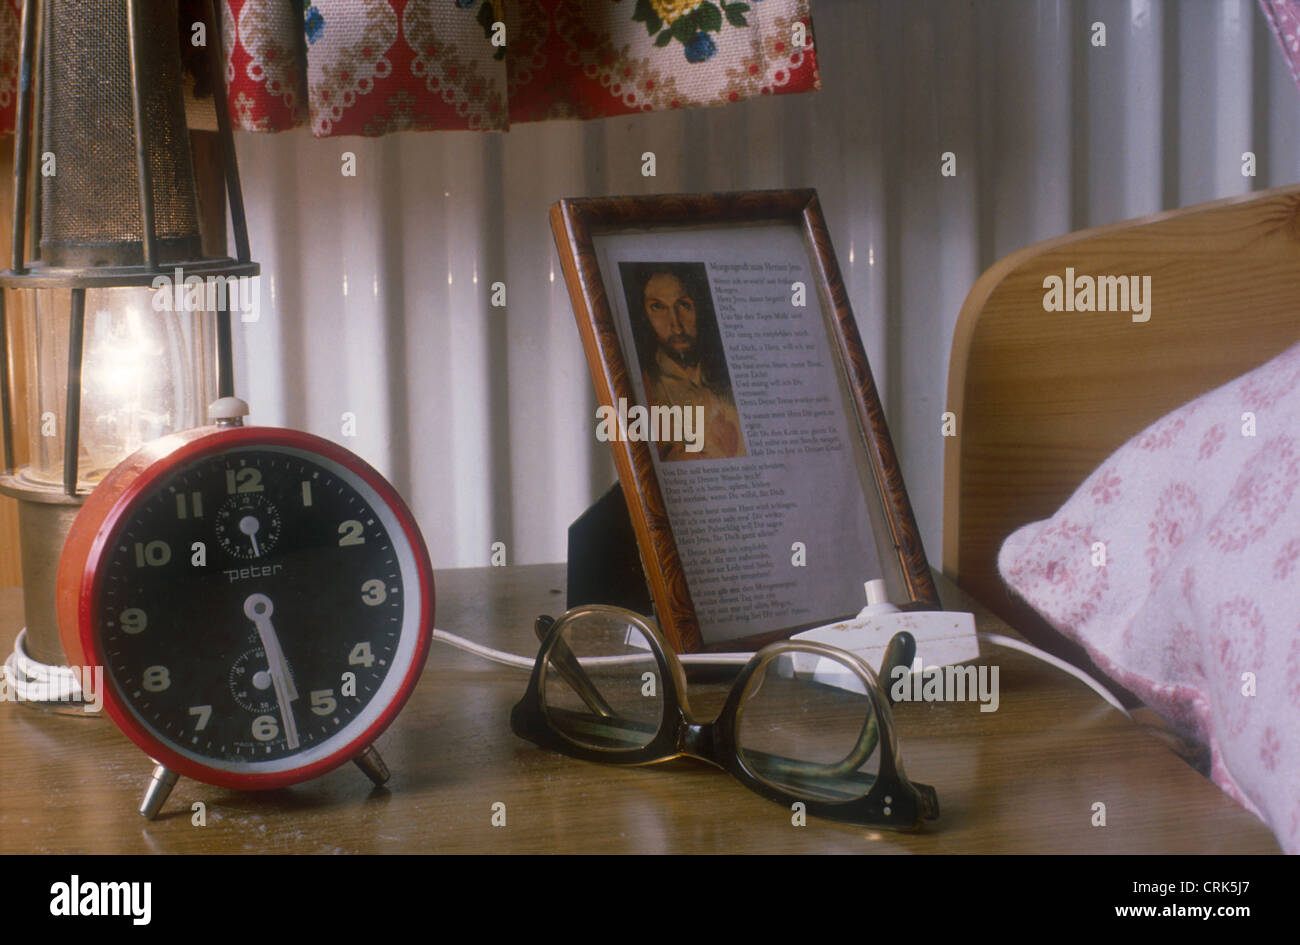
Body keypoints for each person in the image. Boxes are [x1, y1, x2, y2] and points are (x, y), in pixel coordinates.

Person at [637, 270, 745, 461]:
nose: (676, 326)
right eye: (658, 307)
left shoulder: (733, 378)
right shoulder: (643, 388)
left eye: (684, 305)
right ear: (644, 316)